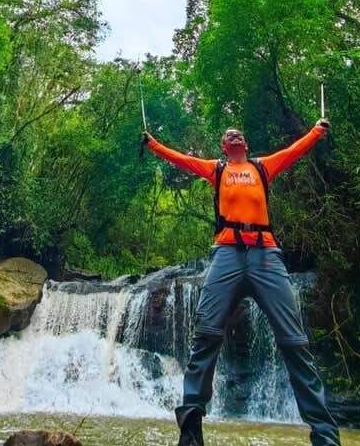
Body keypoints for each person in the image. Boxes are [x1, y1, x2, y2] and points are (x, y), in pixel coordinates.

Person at [143, 119, 340, 446]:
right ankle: (191, 435)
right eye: (227, 134)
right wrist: (152, 145)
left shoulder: (262, 168)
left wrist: (318, 130)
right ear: (224, 147)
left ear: (245, 145)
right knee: (206, 334)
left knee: (294, 342)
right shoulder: (216, 170)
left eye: (239, 133)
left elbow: (295, 151)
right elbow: (180, 159)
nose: (233, 134)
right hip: (227, 253)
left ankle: (326, 437)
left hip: (265, 254)